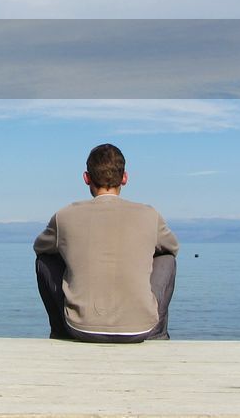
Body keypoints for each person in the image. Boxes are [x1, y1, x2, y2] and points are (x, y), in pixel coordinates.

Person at [33, 143, 179, 342]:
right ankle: (158, 334)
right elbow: (172, 248)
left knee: (44, 260)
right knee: (167, 259)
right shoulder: (149, 215)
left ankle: (59, 332)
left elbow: (40, 248)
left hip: (80, 328)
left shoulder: (65, 216)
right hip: (139, 329)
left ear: (86, 178)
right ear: (125, 178)